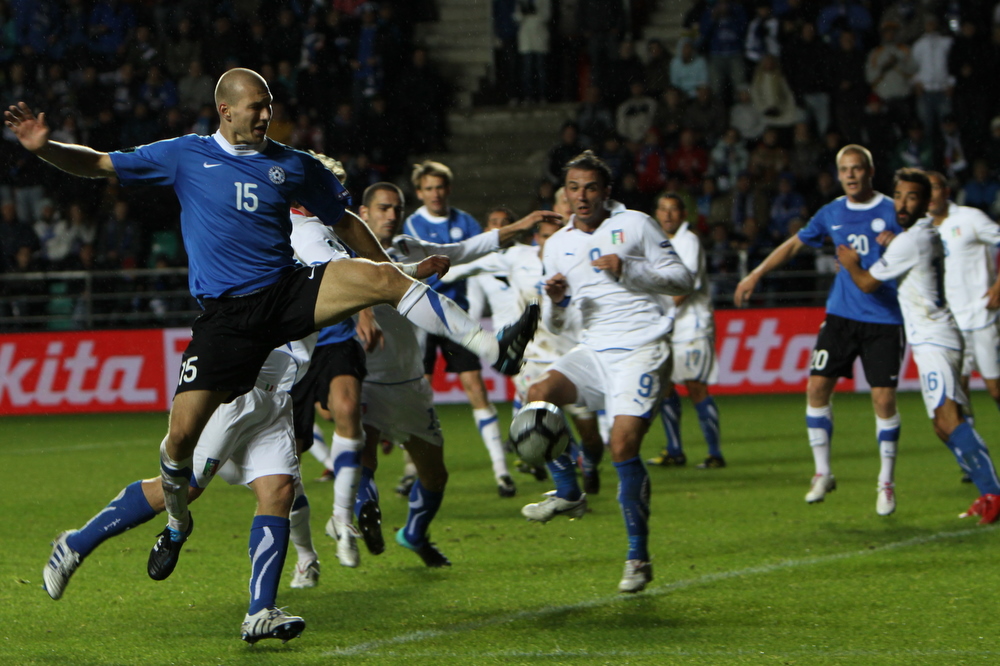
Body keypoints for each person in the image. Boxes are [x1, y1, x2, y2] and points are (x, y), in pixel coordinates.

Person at [7, 68, 539, 596]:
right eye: (257, 106)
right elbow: (101, 163)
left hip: (280, 340)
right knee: (180, 466)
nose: (267, 115)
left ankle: (497, 348)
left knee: (282, 486)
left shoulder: (294, 173)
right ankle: (106, 537)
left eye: (270, 106)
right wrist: (44, 147)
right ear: (227, 110)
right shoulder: (188, 156)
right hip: (233, 343)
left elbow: (351, 226)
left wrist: (393, 276)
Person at [42, 341, 318, 643]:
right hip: (234, 389)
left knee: (279, 491)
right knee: (179, 489)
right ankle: (75, 544)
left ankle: (260, 612)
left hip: (276, 394)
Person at [348, 182, 559, 563]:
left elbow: (466, 249)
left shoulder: (410, 249)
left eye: (396, 208)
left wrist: (521, 224)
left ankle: (413, 533)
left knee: (435, 477)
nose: (391, 215)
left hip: (410, 385)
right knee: (365, 460)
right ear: (363, 214)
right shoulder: (342, 256)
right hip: (363, 380)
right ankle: (364, 515)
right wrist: (362, 310)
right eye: (382, 208)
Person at [519, 150, 694, 593]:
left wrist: (629, 268)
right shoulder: (556, 245)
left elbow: (682, 279)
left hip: (642, 347)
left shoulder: (635, 224)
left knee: (622, 446)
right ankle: (568, 489)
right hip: (594, 349)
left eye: (590, 187)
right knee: (536, 394)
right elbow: (560, 325)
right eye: (573, 188)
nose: (581, 196)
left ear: (606, 192)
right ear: (564, 193)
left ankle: (638, 555)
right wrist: (557, 301)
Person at [734, 145, 905, 514]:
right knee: (816, 388)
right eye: (845, 169)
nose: (851, 175)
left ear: (870, 172)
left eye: (857, 168)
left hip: (885, 319)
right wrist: (756, 274)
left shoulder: (893, 210)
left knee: (884, 399)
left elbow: (922, 249)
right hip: (841, 316)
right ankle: (822, 472)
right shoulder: (832, 212)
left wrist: (900, 243)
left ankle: (886, 482)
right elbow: (795, 244)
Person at [836, 168, 1000, 524]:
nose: (902, 203)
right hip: (937, 335)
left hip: (935, 339)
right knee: (943, 425)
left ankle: (993, 493)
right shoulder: (923, 235)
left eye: (912, 197)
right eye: (898, 196)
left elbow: (866, 283)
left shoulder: (911, 240)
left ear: (926, 202)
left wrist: (850, 263)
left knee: (949, 419)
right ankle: (987, 489)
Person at [403, 161, 522, 497]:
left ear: (448, 189)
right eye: (429, 188)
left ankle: (501, 470)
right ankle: (411, 470)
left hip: (457, 318)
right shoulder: (412, 225)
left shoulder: (465, 222)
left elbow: (477, 262)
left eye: (440, 187)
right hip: (421, 316)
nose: (435, 194)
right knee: (417, 393)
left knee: (475, 388)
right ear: (420, 192)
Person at [647, 193, 724, 469]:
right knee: (666, 388)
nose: (667, 215)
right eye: (663, 209)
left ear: (683, 215)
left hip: (691, 325)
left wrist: (659, 313)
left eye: (673, 210)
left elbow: (685, 285)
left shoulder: (687, 241)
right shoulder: (657, 244)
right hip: (668, 327)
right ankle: (674, 450)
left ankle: (715, 453)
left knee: (695, 387)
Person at [925, 172, 1000, 431]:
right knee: (959, 391)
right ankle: (973, 460)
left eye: (935, 188)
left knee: (995, 388)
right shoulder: (921, 229)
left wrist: (999, 285)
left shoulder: (970, 218)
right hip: (950, 322)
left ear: (946, 191)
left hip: (983, 316)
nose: (930, 194)